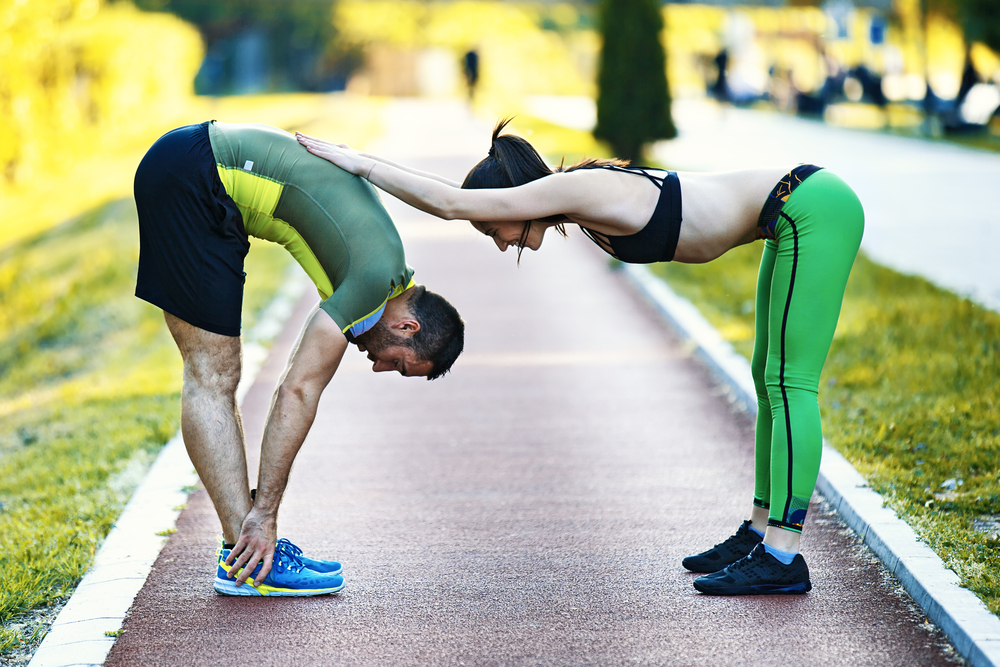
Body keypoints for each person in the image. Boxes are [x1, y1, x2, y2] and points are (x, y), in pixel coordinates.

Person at [295, 120, 864, 595]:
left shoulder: (577, 189)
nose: (499, 242)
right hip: (785, 214)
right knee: (768, 381)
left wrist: (360, 163)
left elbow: (447, 203)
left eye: (494, 227)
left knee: (790, 383)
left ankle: (784, 556)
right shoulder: (582, 205)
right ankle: (761, 531)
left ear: (518, 198)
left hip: (806, 208)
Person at [134, 121, 464, 597]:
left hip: (197, 170)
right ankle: (249, 557)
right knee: (213, 373)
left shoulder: (386, 268)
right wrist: (265, 511)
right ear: (407, 327)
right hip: (196, 176)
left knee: (217, 373)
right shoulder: (375, 279)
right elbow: (298, 387)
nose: (377, 366)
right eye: (397, 363)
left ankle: (244, 550)